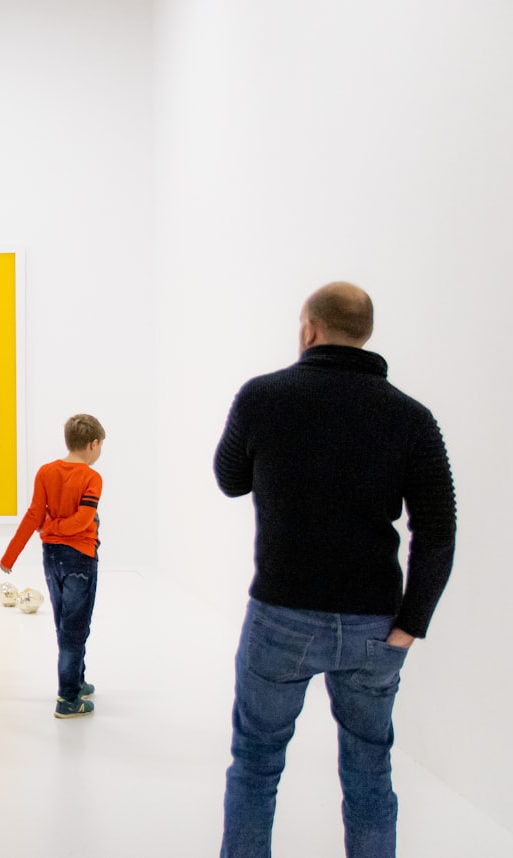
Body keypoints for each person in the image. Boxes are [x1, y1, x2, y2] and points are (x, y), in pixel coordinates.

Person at [213, 282, 456, 857]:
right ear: (365, 333)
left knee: (255, 765)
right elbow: (438, 530)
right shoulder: (412, 417)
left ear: (308, 329)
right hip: (376, 626)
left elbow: (229, 479)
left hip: (280, 617)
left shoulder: (263, 396)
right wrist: (410, 625)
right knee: (370, 772)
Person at [0, 414, 106, 718]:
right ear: (93, 444)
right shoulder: (91, 478)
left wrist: (11, 555)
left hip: (52, 557)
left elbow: (35, 515)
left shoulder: (47, 472)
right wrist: (56, 529)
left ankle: (77, 679)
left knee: (66, 623)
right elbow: (83, 520)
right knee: (76, 627)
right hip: (80, 558)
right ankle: (68, 699)